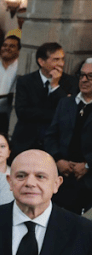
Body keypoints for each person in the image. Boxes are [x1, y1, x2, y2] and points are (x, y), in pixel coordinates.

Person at [42, 58, 92, 213]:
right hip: (60, 175)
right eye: (81, 75)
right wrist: (58, 160)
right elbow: (51, 135)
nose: (84, 80)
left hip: (87, 182)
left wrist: (87, 165)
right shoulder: (66, 103)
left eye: (90, 76)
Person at [13, 42, 78, 153]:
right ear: (41, 62)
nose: (61, 64)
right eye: (56, 59)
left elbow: (68, 112)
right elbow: (22, 112)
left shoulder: (71, 82)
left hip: (54, 145)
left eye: (62, 59)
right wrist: (54, 114)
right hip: (26, 141)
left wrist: (55, 86)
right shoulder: (25, 81)